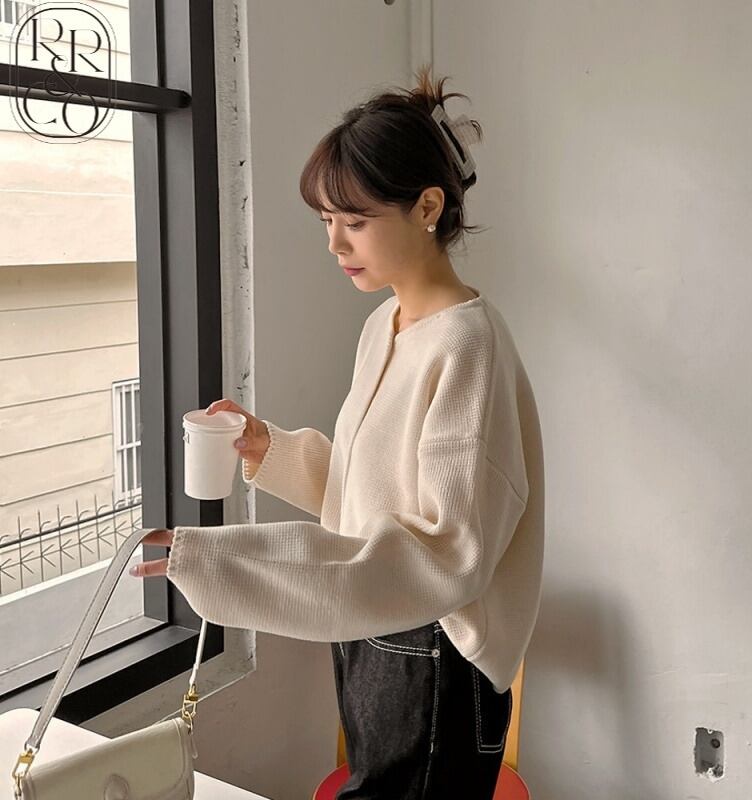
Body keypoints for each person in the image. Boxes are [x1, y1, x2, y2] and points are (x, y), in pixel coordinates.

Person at [132, 64, 545, 800]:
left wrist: (228, 561)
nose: (334, 243)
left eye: (354, 222)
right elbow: (373, 494)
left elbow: (446, 554)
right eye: (326, 220)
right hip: (376, 625)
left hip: (434, 649)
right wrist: (274, 452)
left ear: (427, 206)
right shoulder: (385, 323)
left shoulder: (467, 347)